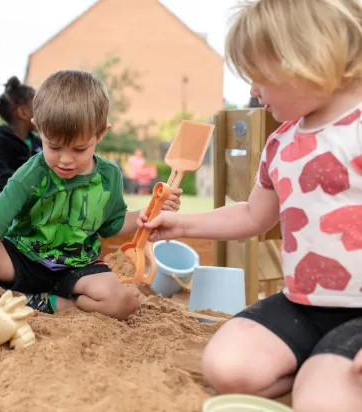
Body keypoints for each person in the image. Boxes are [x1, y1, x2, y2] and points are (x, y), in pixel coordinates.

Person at [137, 1, 362, 410]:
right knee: (226, 367)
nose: (253, 92)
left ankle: (322, 374)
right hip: (305, 304)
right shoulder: (282, 143)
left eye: (259, 78)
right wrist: (180, 224)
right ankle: (320, 364)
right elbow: (251, 214)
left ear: (306, 58)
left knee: (323, 399)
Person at [0, 69, 182, 358]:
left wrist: (145, 214)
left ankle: (47, 303)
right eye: (54, 146)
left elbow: (112, 225)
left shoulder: (109, 177)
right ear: (38, 129)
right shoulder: (31, 175)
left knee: (125, 301)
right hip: (23, 259)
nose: (66, 159)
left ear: (101, 133)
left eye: (79, 149)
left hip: (76, 267)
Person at [0, 76, 42, 213]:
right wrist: (29, 187)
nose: (44, 112)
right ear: (23, 112)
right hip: (1, 207)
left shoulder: (38, 142)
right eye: (38, 106)